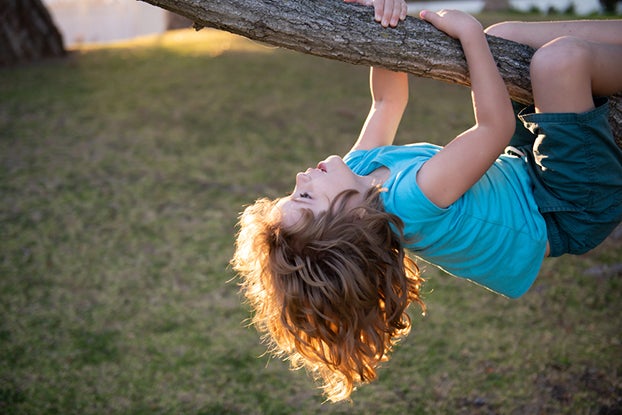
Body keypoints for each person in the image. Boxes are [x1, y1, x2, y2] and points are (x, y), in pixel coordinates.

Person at [231, 0, 622, 402]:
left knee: (505, 41)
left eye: (291, 191)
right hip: (566, 207)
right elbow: (494, 125)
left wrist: (383, 20)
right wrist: (469, 33)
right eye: (306, 195)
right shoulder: (411, 201)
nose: (300, 177)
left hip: (526, 169)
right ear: (351, 219)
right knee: (558, 61)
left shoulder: (360, 169)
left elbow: (387, 102)